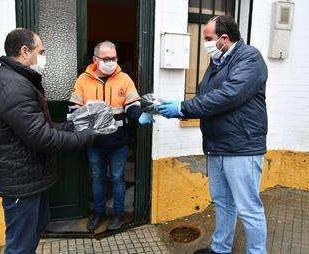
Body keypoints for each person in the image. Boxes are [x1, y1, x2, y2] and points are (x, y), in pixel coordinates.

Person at [158, 16, 268, 254]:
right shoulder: (217, 62)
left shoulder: (250, 58)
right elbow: (204, 98)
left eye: (208, 38)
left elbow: (229, 95)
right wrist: (172, 109)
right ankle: (220, 249)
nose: (206, 43)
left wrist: (182, 108)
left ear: (224, 38)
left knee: (249, 208)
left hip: (242, 147)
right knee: (224, 204)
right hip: (216, 145)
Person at [0, 28, 95, 254]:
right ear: (25, 51)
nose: (43, 57)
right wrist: (88, 136)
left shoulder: (17, 79)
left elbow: (39, 126)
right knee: (20, 246)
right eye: (41, 51)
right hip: (20, 182)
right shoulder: (12, 85)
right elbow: (42, 137)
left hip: (30, 176)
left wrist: (70, 126)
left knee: (36, 230)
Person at [69, 41, 154, 231]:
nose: (110, 62)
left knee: (117, 178)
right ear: (95, 60)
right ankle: (98, 213)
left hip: (118, 142)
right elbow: (74, 108)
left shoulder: (124, 79)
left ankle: (118, 214)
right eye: (106, 59)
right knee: (97, 178)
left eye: (113, 58)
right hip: (94, 142)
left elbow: (132, 105)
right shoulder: (83, 80)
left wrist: (140, 116)